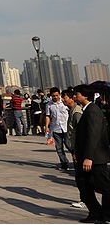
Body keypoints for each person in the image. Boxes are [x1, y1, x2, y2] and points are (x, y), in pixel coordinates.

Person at [73, 84, 110, 222]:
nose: (75, 97)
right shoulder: (87, 110)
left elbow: (93, 136)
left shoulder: (93, 111)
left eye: (77, 94)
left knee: (105, 187)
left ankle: (106, 215)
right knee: (84, 185)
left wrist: (88, 157)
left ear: (85, 96)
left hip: (95, 158)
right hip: (87, 157)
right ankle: (95, 213)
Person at [45, 87, 71, 171]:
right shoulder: (49, 105)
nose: (55, 97)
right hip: (55, 128)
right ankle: (64, 163)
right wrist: (46, 127)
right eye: (53, 96)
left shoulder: (64, 103)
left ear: (59, 94)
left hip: (66, 128)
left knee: (69, 145)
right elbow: (48, 116)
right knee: (59, 148)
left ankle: (76, 160)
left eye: (57, 95)